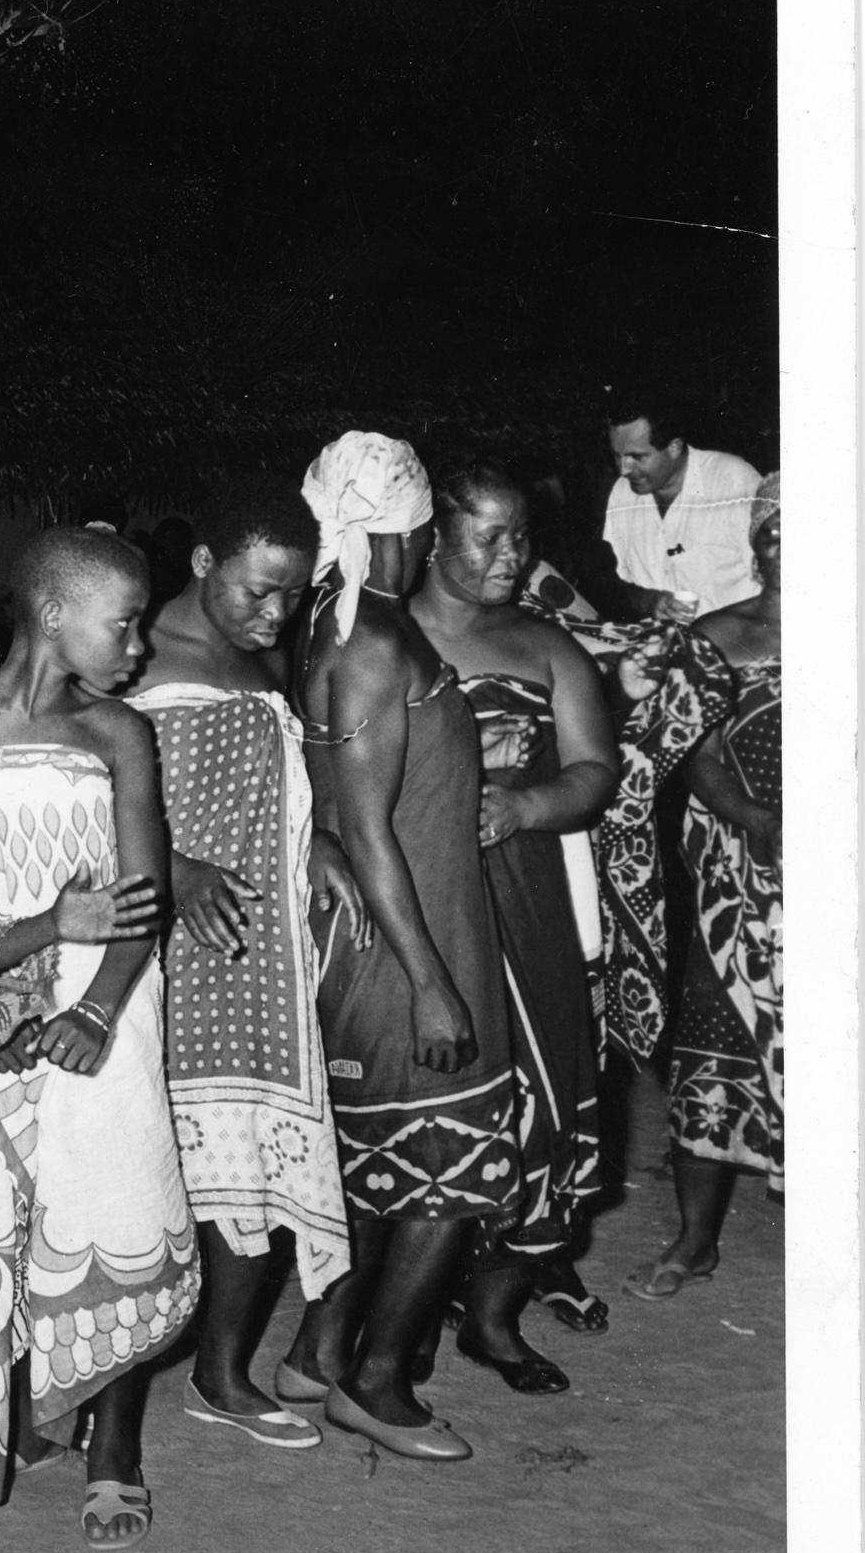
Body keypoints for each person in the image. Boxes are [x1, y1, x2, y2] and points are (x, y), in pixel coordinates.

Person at [0, 529, 197, 1550]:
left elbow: (140, 898)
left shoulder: (118, 733)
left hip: (100, 1003)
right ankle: (3, 1413)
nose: (139, 643)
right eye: (126, 620)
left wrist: (97, 1009)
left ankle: (113, 1446)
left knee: (105, 1200)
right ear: (54, 612)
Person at [289, 432, 519, 1463]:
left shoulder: (344, 624)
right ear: (408, 525)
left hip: (401, 925)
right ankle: (378, 1383)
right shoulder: (375, 639)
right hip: (405, 941)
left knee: (382, 1161)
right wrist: (430, 982)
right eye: (427, 521)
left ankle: (315, 1351)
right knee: (447, 1168)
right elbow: (370, 824)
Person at [125, 476, 359, 1449]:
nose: (273, 612)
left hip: (254, 951)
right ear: (200, 563)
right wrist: (171, 867)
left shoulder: (258, 657)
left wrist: (320, 846)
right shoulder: (131, 657)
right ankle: (93, 1384)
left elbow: (280, 779)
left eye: (290, 594)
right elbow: (70, 783)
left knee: (251, 1162)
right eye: (255, 589)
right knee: (135, 1169)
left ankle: (221, 1372)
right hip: (151, 945)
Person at [409, 468, 618, 1390]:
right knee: (418, 1097)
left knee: (536, 1094)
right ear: (431, 535)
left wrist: (526, 801)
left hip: (523, 892)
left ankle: (491, 1319)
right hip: (408, 899)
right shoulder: (376, 640)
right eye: (487, 536)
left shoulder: (545, 646)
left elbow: (594, 768)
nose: (509, 556)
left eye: (519, 536)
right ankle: (404, 1310)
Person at [633, 472, 781, 1296]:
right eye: (768, 532)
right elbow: (690, 750)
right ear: (750, 543)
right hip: (738, 871)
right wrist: (750, 816)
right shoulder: (716, 636)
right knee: (714, 1033)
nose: (781, 547)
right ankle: (694, 1239)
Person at [599, 394, 763, 623]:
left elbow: (776, 583)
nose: (623, 470)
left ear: (674, 447)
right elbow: (618, 584)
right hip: (656, 643)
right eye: (618, 456)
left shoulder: (732, 481)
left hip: (733, 647)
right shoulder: (622, 493)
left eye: (637, 457)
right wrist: (650, 601)